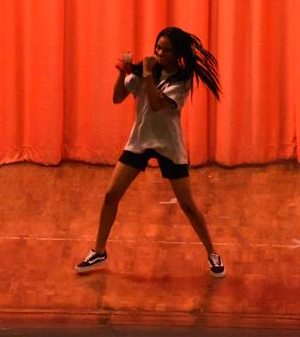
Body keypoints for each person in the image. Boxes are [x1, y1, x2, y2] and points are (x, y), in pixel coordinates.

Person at [75, 27, 226, 278]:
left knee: (187, 205)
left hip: (169, 146)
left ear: (177, 54)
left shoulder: (182, 81)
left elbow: (156, 104)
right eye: (158, 47)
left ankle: (212, 252)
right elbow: (117, 97)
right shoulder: (147, 72)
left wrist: (145, 74)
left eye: (166, 50)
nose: (159, 53)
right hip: (140, 142)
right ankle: (99, 251)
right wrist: (122, 72)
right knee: (111, 195)